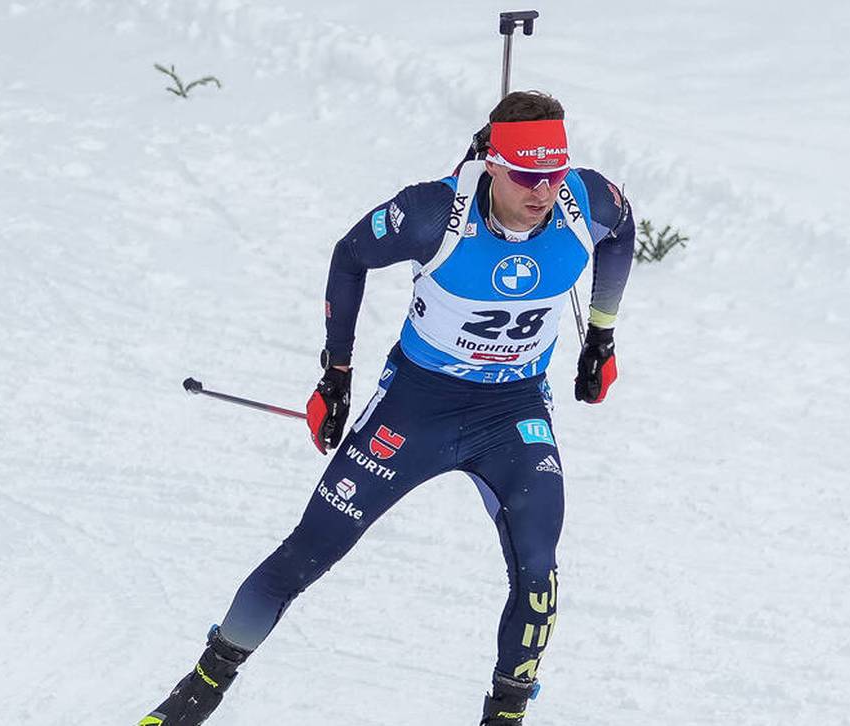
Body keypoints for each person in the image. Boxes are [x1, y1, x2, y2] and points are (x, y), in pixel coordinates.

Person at [138, 90, 635, 726]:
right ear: (493, 163)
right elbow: (350, 255)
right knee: (310, 548)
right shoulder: (435, 213)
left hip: (512, 413)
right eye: (526, 176)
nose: (542, 192)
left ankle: (505, 717)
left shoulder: (582, 202)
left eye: (553, 175)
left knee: (538, 572)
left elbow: (622, 231)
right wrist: (336, 375)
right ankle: (197, 693)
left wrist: (601, 335)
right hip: (416, 406)